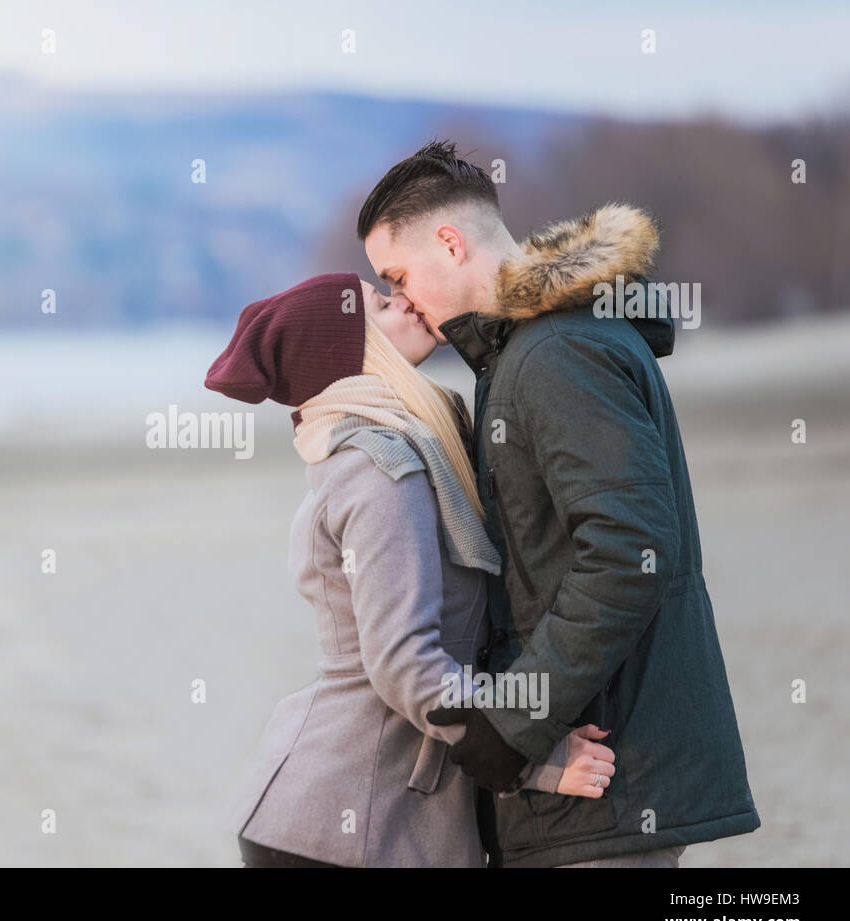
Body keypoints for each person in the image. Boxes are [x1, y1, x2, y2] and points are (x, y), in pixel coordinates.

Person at [357, 140, 760, 867]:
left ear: (448, 242)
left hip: (605, 776)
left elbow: (627, 552)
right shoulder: (526, 352)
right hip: (594, 778)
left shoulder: (553, 354)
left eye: (397, 275)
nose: (402, 298)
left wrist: (513, 722)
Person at [206, 272, 617, 867]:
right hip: (342, 823)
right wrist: (537, 755)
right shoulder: (380, 470)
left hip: (364, 816)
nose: (403, 300)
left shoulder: (399, 446)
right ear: (352, 354)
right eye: (381, 302)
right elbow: (404, 662)